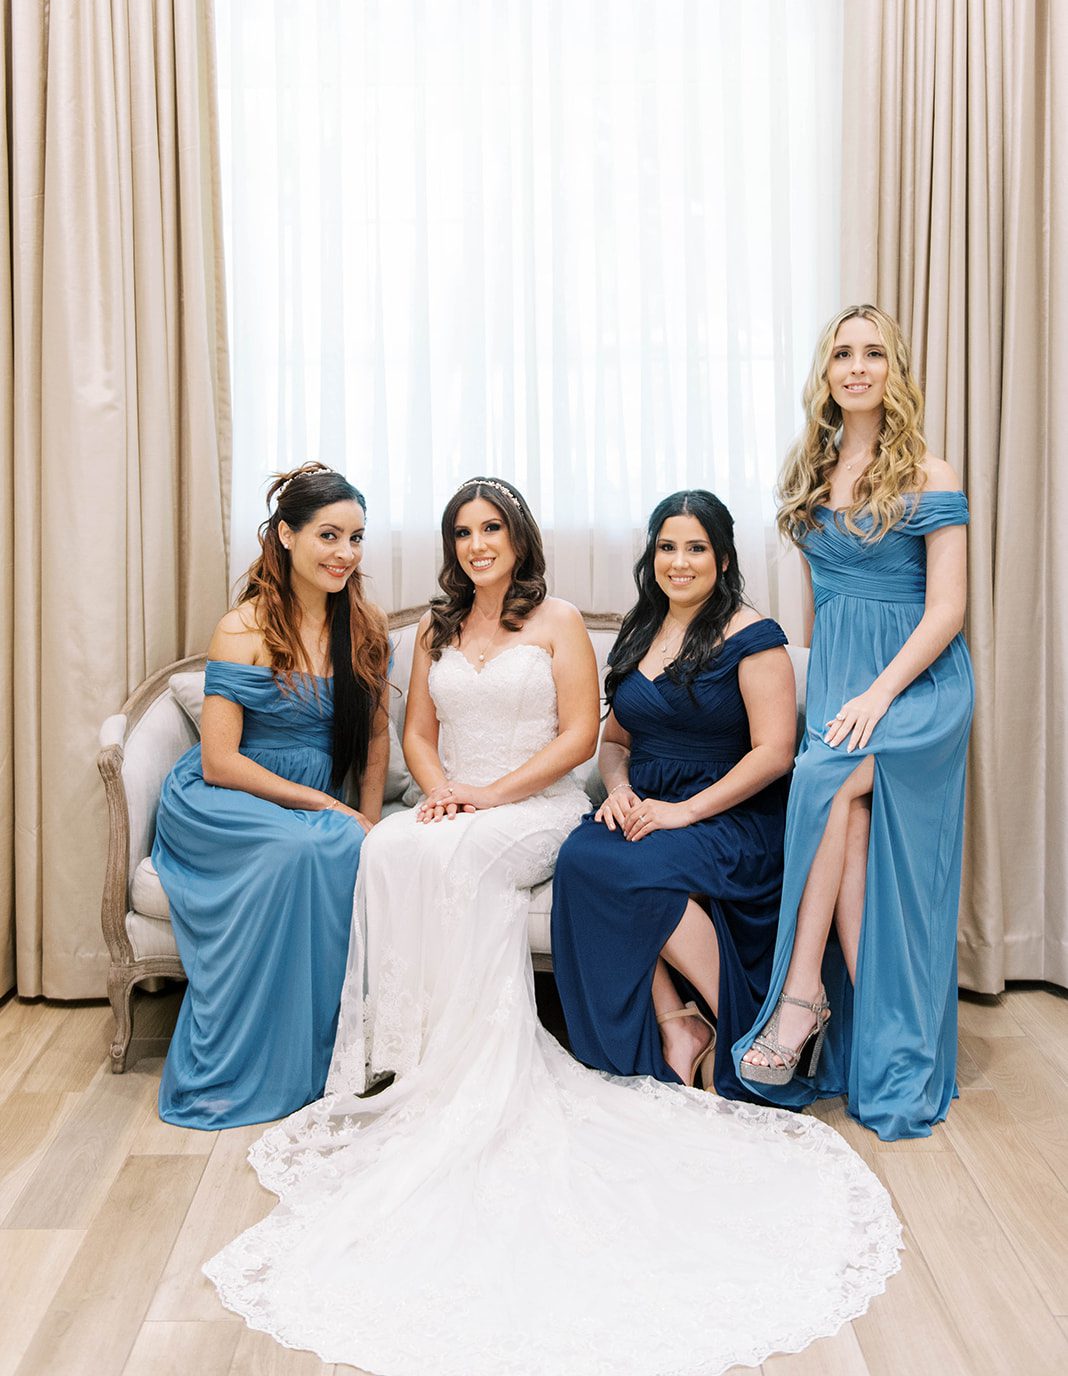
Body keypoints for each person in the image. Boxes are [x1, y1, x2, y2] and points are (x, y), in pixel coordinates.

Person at [204, 477, 902, 1375]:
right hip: (489, 798)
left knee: (488, 859)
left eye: (491, 527)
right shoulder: (444, 631)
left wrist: (497, 793)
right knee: (387, 852)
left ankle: (726, 1020)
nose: (475, 542)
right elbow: (425, 734)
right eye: (461, 531)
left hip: (545, 801)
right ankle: (403, 1054)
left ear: (521, 536)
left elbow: (581, 739)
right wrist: (443, 789)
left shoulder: (569, 620)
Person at [735, 306, 974, 1141]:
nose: (859, 366)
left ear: (894, 371)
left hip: (920, 684)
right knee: (850, 817)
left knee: (830, 785)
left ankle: (801, 996)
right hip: (841, 679)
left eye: (875, 353)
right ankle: (877, 1039)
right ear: (827, 372)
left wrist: (878, 697)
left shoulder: (932, 476)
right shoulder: (810, 472)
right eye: (844, 353)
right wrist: (819, 692)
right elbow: (819, 607)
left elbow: (947, 609)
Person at [153, 463, 390, 1129]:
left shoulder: (363, 627)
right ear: (285, 535)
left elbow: (375, 740)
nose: (345, 553)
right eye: (329, 535)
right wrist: (328, 807)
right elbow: (222, 761)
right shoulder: (244, 628)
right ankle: (242, 1060)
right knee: (299, 847)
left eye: (357, 537)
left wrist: (368, 818)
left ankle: (321, 1058)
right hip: (224, 800)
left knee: (339, 846)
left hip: (307, 804)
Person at [551, 490, 794, 1100]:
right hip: (651, 802)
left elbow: (774, 751)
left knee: (638, 869)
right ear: (651, 555)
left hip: (731, 813)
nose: (679, 562)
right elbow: (615, 743)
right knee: (584, 856)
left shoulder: (754, 636)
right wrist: (621, 792)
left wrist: (683, 811)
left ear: (724, 558)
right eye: (667, 547)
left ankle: (745, 1025)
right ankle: (675, 1024)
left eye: (696, 548)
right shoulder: (640, 632)